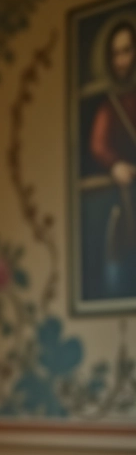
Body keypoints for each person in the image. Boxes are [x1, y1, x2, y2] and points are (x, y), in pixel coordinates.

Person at [89, 19, 136, 292]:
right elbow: (98, 144)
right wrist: (115, 164)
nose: (121, 60)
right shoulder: (110, 106)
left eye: (127, 51)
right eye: (115, 53)